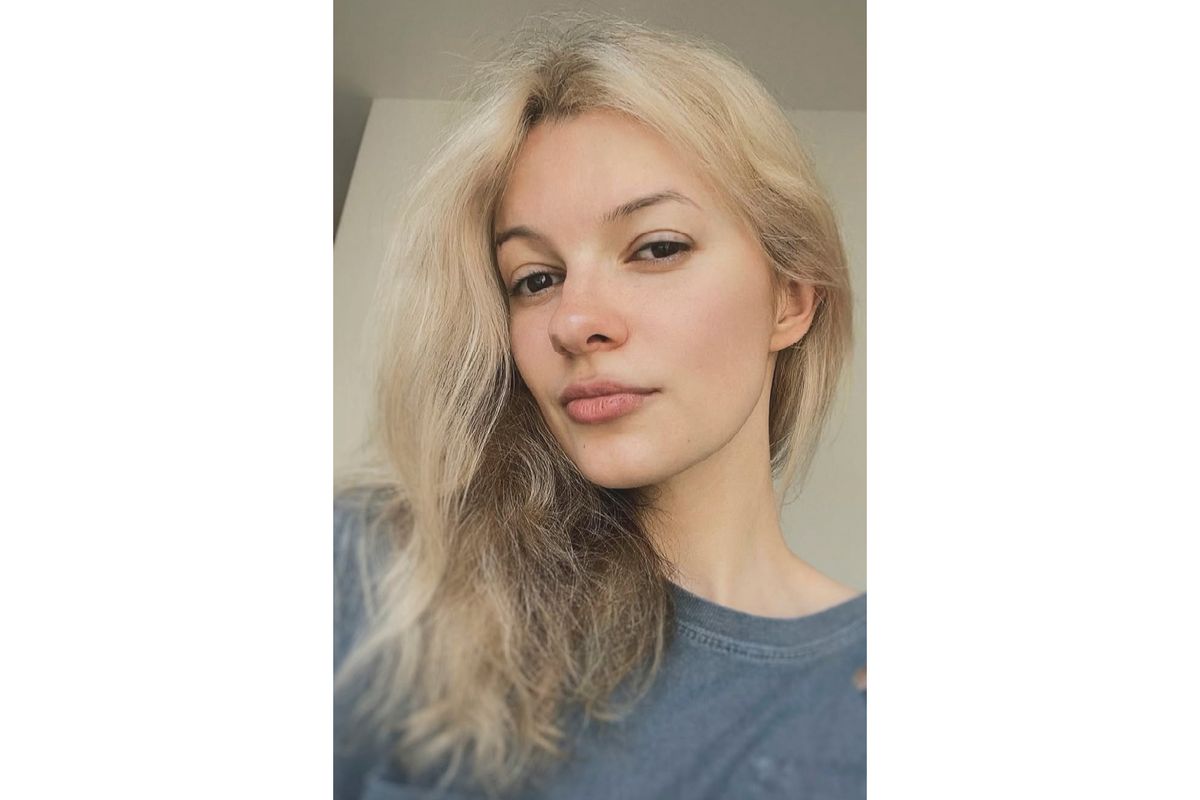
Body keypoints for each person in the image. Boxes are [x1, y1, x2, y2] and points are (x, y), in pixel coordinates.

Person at [335, 13, 865, 799]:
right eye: (536, 279)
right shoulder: (385, 577)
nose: (574, 321)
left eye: (656, 248)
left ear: (790, 301)